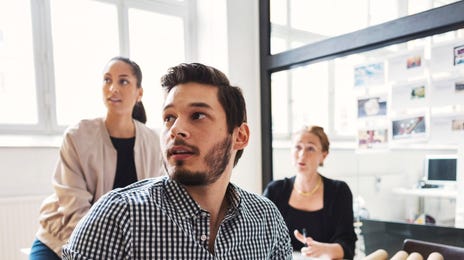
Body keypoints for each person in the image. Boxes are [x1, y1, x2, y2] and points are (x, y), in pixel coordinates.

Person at [62, 62, 293, 259]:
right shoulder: (117, 217)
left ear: (239, 136)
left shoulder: (267, 219)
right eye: (169, 117)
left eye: (198, 116)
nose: (176, 129)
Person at [29, 56, 164, 259]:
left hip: (123, 247)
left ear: (139, 93)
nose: (113, 88)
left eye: (123, 81)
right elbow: (74, 208)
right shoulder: (77, 135)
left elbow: (155, 207)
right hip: (62, 237)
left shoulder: (154, 142)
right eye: (107, 80)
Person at [263, 125, 357, 259]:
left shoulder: (339, 191)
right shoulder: (275, 191)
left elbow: (348, 246)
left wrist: (324, 249)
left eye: (310, 148)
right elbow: (260, 238)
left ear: (323, 155)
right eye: (298, 147)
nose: (302, 154)